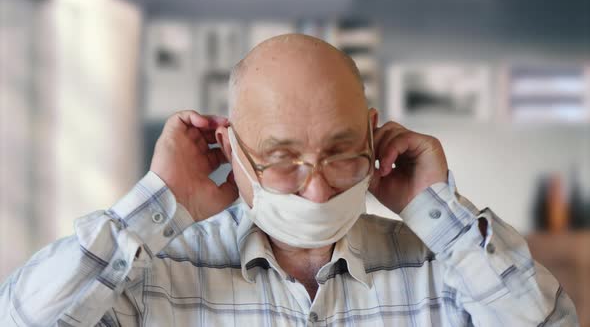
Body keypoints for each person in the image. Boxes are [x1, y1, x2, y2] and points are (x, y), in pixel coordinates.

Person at [0, 34, 578, 326]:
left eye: (341, 151)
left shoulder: (444, 270)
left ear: (375, 139)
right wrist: (158, 203)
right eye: (281, 157)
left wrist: (442, 216)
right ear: (229, 148)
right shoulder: (151, 280)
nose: (319, 189)